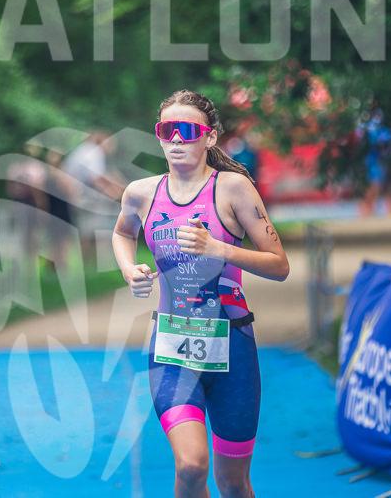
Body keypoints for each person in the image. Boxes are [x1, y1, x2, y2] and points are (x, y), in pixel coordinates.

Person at [112, 89, 289, 498]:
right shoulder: (140, 192)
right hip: (172, 347)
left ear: (209, 137)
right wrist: (128, 269)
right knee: (191, 466)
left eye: (187, 130)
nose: (176, 139)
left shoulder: (233, 189)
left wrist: (219, 249)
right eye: (167, 130)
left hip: (233, 349)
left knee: (233, 483)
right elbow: (122, 232)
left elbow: (279, 266)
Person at [62, 131, 125, 260]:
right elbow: (96, 178)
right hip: (86, 200)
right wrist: (117, 195)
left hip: (74, 198)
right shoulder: (94, 153)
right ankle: (97, 263)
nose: (111, 148)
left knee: (85, 233)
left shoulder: (81, 151)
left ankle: (90, 265)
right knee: (95, 233)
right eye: (110, 143)